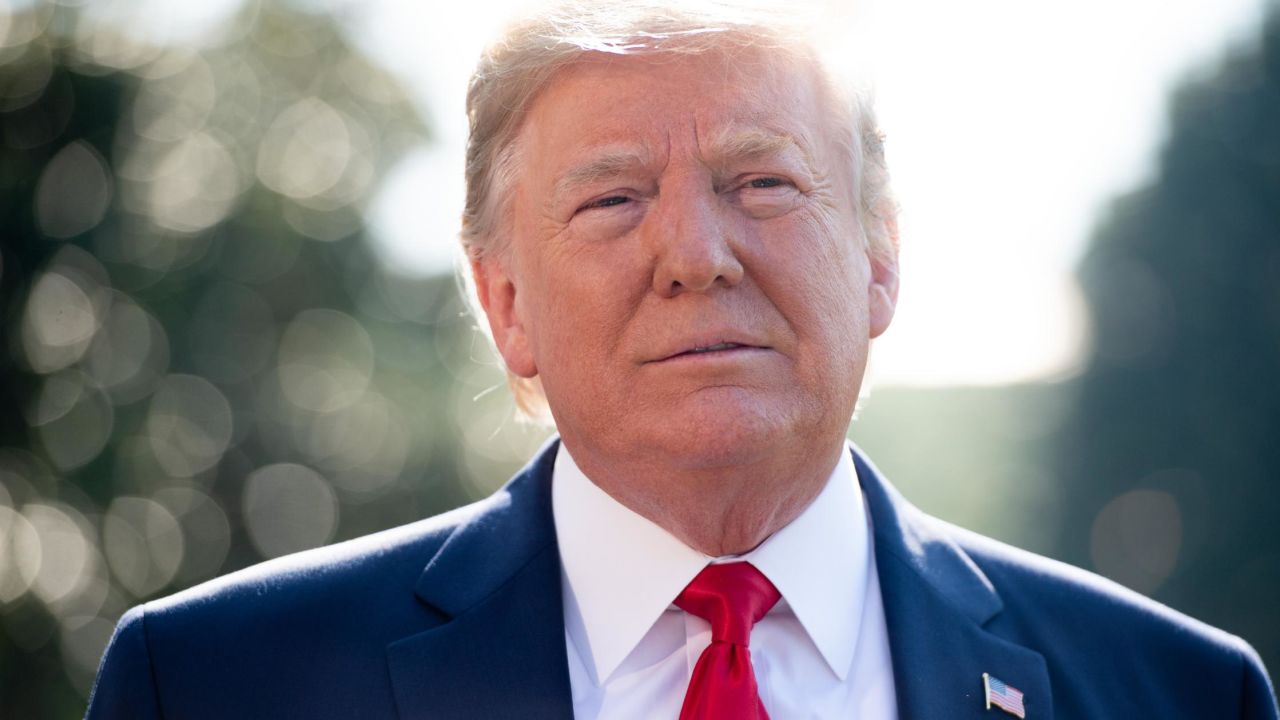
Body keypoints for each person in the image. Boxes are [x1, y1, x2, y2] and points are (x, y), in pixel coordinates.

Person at [86, 2, 1277, 719]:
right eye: (610, 199)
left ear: (877, 256)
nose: (695, 255)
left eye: (760, 181)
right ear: (504, 303)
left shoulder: (1176, 695)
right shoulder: (210, 687)